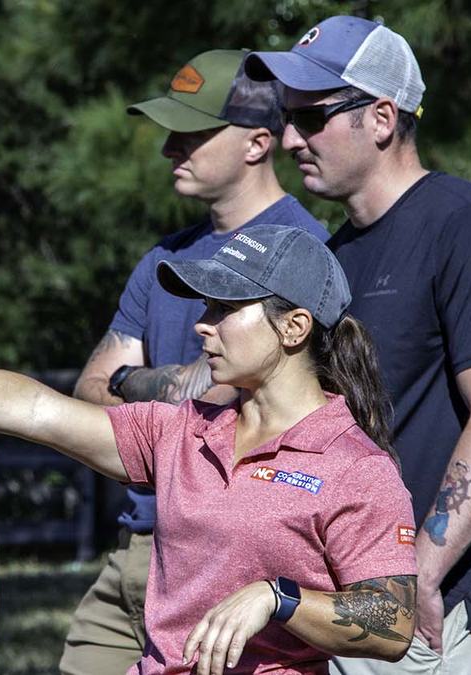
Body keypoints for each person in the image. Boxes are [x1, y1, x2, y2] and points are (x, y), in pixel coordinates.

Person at [0, 224, 418, 675]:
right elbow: (33, 409)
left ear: (294, 327)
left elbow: (392, 622)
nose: (203, 323)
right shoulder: (183, 429)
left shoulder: (353, 467)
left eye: (226, 308)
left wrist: (278, 597)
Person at [245, 15, 471, 674]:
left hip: (419, 607)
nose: (290, 138)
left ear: (381, 118)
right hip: (329, 599)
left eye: (312, 116)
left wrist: (419, 574)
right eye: (287, 117)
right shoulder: (329, 256)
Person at [66, 49, 327, 675]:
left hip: (227, 566)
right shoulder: (163, 258)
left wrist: (132, 386)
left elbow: (274, 410)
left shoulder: (305, 255)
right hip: (134, 552)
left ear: (258, 142)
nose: (169, 150)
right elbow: (88, 394)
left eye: (192, 134)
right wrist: (166, 385)